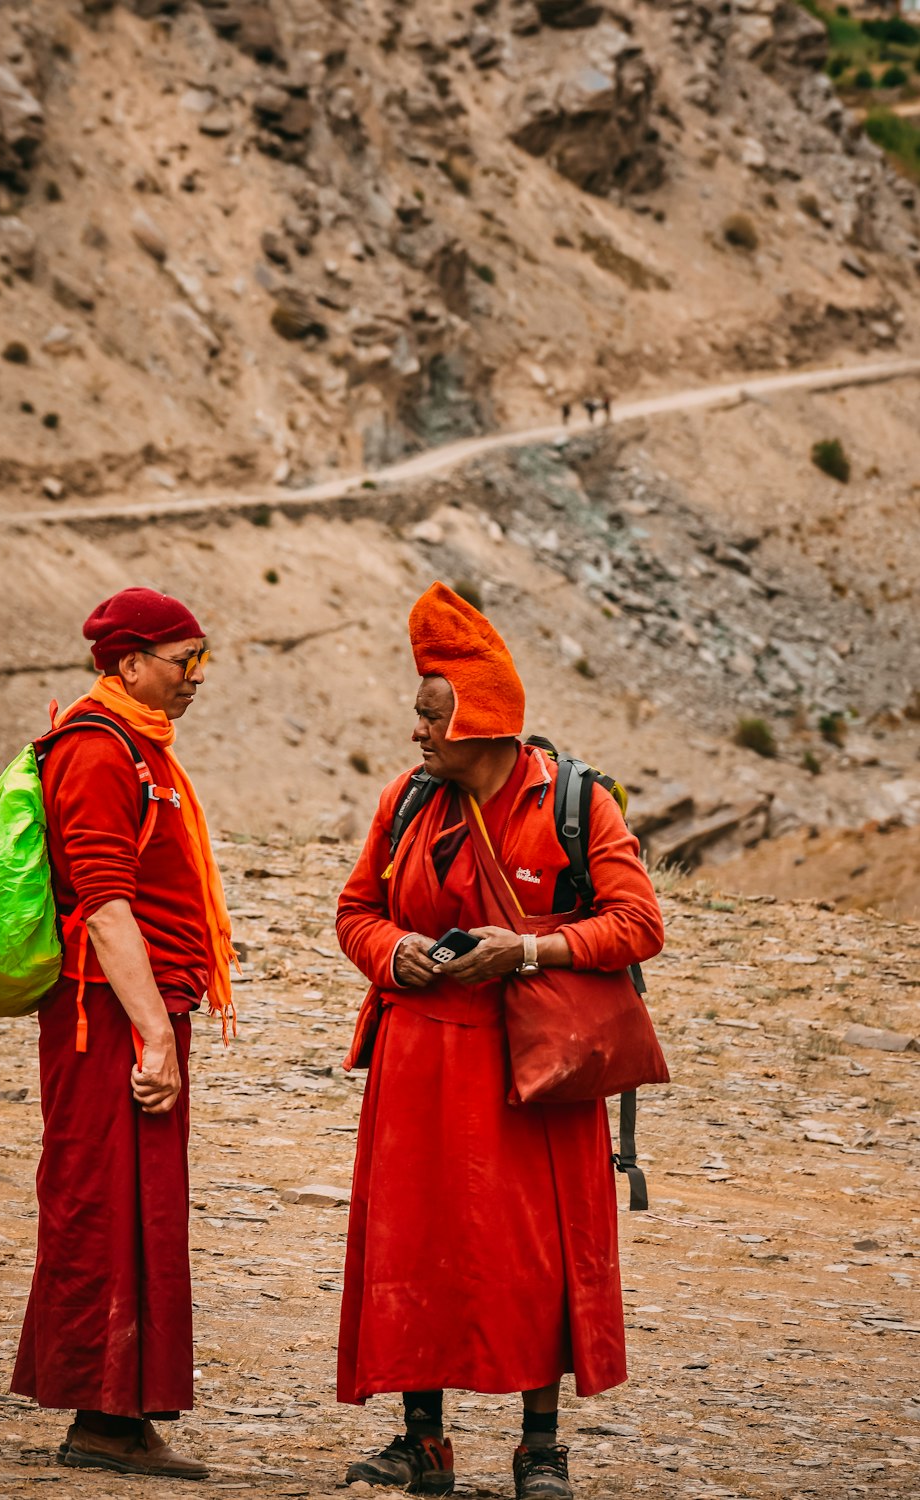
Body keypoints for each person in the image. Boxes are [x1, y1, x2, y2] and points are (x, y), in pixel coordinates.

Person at [335, 582, 664, 1500]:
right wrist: (397, 954)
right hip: (419, 1060)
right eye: (419, 714)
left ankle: (541, 1447)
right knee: (416, 1246)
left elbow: (638, 925)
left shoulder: (574, 804)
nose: (418, 734)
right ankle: (421, 1443)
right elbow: (356, 911)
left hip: (534, 1069)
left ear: (482, 719)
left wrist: (528, 949)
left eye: (433, 716)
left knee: (533, 1256)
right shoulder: (407, 803)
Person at [10, 587, 238, 1479]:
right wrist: (151, 1036)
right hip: (103, 1016)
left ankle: (123, 1414)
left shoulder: (135, 746)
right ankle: (99, 1420)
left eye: (201, 661)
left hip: (135, 1007)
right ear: (128, 662)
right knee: (102, 1206)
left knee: (141, 1209)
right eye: (187, 662)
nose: (197, 680)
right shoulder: (97, 753)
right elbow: (105, 904)